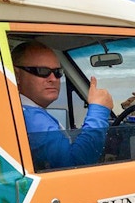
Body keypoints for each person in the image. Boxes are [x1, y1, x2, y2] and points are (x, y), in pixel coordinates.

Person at [12, 41, 114, 170]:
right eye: (42, 71)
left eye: (57, 72)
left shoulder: (19, 110)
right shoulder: (31, 118)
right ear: (17, 75)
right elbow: (75, 167)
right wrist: (99, 111)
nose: (53, 79)